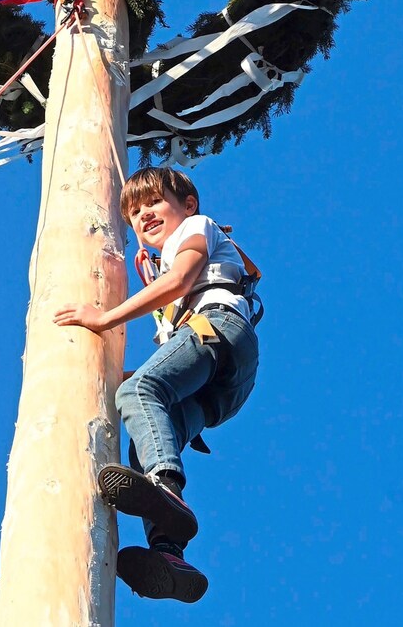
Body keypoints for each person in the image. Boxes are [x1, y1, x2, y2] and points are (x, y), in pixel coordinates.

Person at [53, 167, 259, 603]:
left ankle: (166, 488)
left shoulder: (197, 229)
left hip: (218, 329)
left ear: (187, 205)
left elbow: (180, 282)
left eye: (154, 202)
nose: (143, 214)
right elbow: (173, 360)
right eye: (133, 211)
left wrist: (105, 318)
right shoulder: (164, 267)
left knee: (139, 395)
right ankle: (169, 552)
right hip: (220, 385)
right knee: (142, 436)